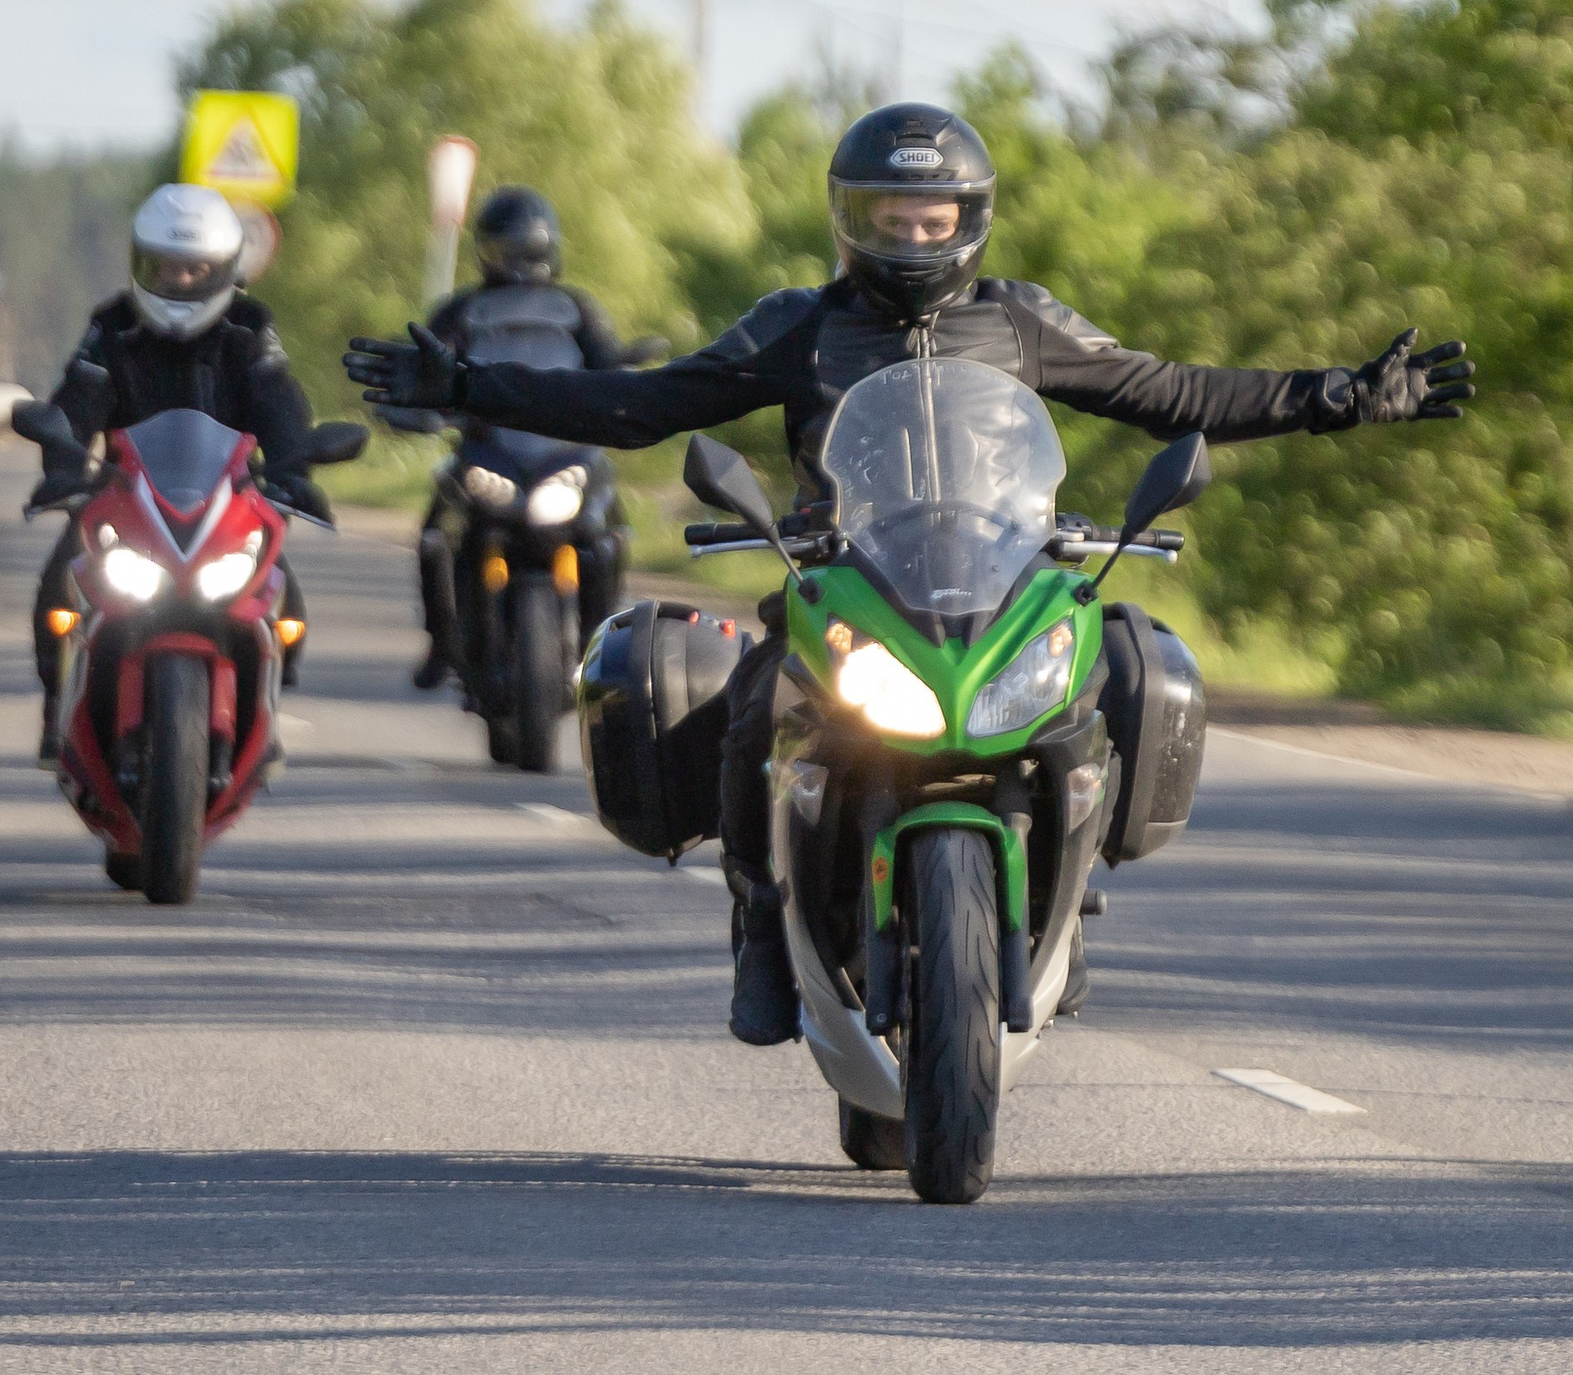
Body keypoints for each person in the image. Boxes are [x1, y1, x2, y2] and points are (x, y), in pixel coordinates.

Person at [346, 102, 1475, 1045]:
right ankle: (756, 925)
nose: (910, 232)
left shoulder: (1021, 324)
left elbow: (1171, 391)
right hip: (849, 574)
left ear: (968, 220)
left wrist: (1344, 396)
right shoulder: (800, 327)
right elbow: (641, 405)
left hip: (999, 575)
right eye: (888, 214)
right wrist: (467, 385)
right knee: (749, 704)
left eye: (931, 214)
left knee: (1098, 682)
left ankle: (1070, 908)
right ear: (849, 220)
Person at [31, 183, 323, 764]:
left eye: (196, 269)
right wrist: (65, 465)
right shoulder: (112, 324)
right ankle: (57, 708)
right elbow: (78, 398)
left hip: (228, 500)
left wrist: (294, 468)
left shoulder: (248, 327)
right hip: (125, 497)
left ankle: (266, 714)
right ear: (142, 263)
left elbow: (277, 401)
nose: (182, 281)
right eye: (167, 268)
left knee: (287, 605)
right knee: (56, 591)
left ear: (223, 270)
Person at [396, 186, 635, 688]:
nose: (524, 261)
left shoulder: (577, 309)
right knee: (437, 536)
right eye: (513, 249)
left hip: (564, 452)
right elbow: (425, 370)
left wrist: (627, 390)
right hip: (488, 452)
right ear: (488, 250)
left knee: (610, 535)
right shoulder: (460, 311)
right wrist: (419, 408)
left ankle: (604, 650)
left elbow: (607, 366)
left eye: (533, 249)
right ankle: (442, 642)